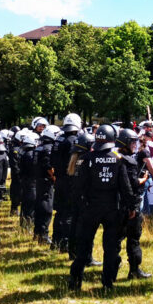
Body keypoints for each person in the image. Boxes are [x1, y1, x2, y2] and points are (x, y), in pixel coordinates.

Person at [68, 124, 134, 291]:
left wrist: (81, 207)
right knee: (110, 248)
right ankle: (108, 283)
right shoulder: (118, 159)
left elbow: (78, 186)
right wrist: (130, 207)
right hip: (112, 208)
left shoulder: (88, 159)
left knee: (83, 246)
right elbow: (125, 187)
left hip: (91, 208)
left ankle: (75, 283)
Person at [116, 128, 152, 279]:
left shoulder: (115, 156)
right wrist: (144, 179)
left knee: (115, 238)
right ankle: (134, 270)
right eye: (132, 142)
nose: (135, 145)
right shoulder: (128, 161)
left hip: (116, 204)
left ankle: (112, 266)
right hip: (129, 205)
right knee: (133, 238)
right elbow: (132, 184)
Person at [66, 132, 102, 267]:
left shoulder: (75, 158)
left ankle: (73, 252)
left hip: (75, 196)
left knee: (74, 224)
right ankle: (87, 257)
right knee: (85, 228)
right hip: (85, 198)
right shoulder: (88, 159)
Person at [52, 113, 81, 252]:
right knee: (69, 212)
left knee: (59, 211)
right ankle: (66, 242)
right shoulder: (74, 140)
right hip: (69, 180)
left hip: (58, 179)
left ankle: (55, 240)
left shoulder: (58, 139)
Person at [34, 125, 59, 245]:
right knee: (47, 209)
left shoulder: (39, 146)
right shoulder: (48, 148)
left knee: (39, 207)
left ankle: (37, 232)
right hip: (46, 181)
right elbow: (48, 166)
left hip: (38, 180)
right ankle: (43, 235)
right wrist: (54, 177)